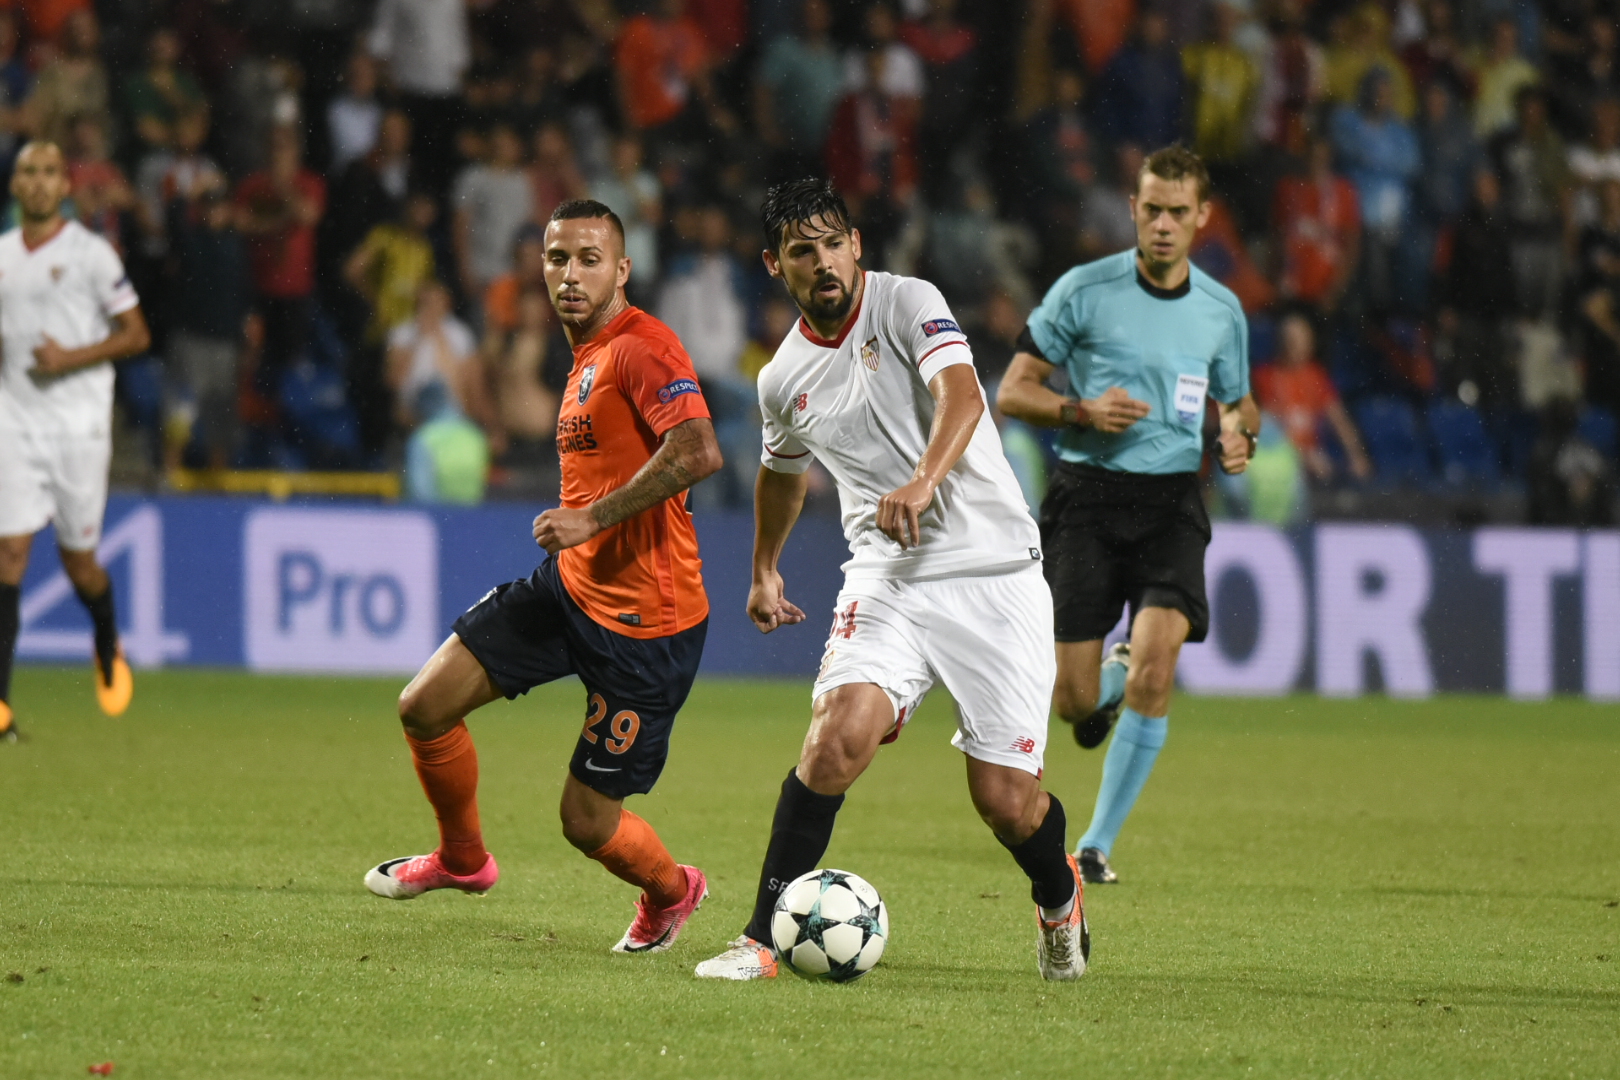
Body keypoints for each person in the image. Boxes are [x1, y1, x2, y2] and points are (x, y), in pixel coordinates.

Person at [694, 179, 1089, 983]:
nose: (823, 262)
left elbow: (964, 396)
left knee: (1007, 803)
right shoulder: (781, 379)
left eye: (833, 243)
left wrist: (922, 481)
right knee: (837, 738)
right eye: (802, 251)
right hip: (888, 575)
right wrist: (765, 567)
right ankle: (762, 940)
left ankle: (1060, 893)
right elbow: (781, 473)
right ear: (776, 265)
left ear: (857, 245)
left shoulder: (909, 303)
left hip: (995, 573)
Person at [364, 200, 725, 960]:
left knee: (586, 822)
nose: (571, 273)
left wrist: (593, 519)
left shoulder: (642, 347)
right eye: (558, 257)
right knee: (424, 706)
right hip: (569, 590)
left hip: (646, 627)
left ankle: (672, 891)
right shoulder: (584, 351)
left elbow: (697, 451)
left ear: (622, 270)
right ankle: (463, 861)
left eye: (590, 258)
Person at [996, 145, 1258, 886]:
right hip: (1086, 497)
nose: (1165, 224)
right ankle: (1107, 675)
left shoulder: (1220, 310)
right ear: (1134, 208)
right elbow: (1014, 390)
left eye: (1180, 211)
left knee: (1158, 665)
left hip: (1173, 501)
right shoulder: (1084, 290)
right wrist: (1080, 408)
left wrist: (1241, 433)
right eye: (1152, 209)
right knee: (1074, 702)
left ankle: (1096, 845)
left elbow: (1240, 400)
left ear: (1203, 217)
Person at [0, 142, 153, 743]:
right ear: (15, 186)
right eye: (27, 173)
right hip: (15, 423)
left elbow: (136, 333)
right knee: (10, 554)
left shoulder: (92, 255)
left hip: (79, 428)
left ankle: (106, 638)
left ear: (64, 184)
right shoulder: (2, 256)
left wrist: (68, 359)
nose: (37, 183)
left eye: (48, 172)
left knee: (79, 564)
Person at [1254, 312, 1372, 484]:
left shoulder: (1316, 376)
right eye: (1288, 338)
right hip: (1276, 458)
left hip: (1312, 461)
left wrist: (1356, 455)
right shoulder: (1264, 377)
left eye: (1299, 338)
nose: (1293, 344)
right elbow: (1266, 427)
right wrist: (1302, 454)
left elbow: (1339, 419)